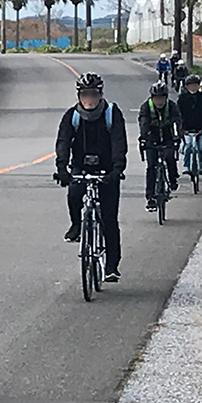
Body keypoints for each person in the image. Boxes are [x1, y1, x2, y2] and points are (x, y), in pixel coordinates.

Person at [55, 72, 127, 283]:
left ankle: (112, 266)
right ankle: (77, 225)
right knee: (74, 193)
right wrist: (62, 169)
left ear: (100, 94)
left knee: (109, 219)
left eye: (93, 94)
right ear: (79, 96)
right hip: (80, 167)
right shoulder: (72, 116)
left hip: (107, 170)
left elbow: (119, 142)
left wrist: (117, 169)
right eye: (85, 94)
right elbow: (63, 142)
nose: (89, 99)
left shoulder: (112, 114)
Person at [138, 82, 183, 211]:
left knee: (170, 158)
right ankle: (150, 197)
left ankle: (173, 179)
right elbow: (143, 123)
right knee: (151, 167)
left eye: (162, 98)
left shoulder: (172, 106)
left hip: (168, 137)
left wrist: (177, 136)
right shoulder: (146, 107)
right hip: (152, 137)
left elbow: (177, 121)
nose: (159, 101)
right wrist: (144, 138)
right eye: (156, 98)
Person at [178, 74, 202, 176]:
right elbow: (178, 114)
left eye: (195, 85)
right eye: (190, 85)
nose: (193, 87)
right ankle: (186, 166)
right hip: (187, 129)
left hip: (200, 128)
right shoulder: (182, 98)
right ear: (187, 86)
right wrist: (180, 127)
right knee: (188, 146)